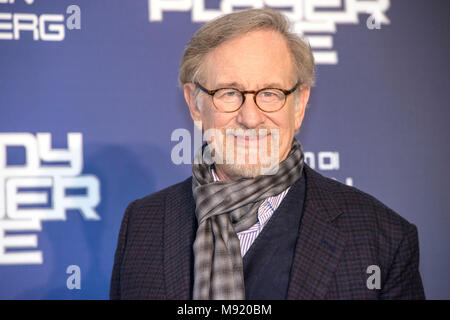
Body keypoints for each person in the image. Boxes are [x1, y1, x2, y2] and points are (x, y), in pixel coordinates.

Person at [110, 8, 425, 300]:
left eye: (270, 94)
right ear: (195, 103)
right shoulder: (142, 224)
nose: (250, 117)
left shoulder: (383, 238)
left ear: (299, 105)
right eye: (229, 93)